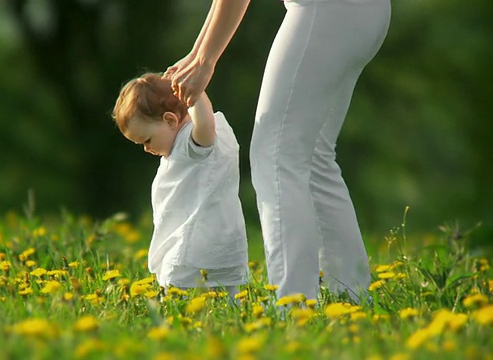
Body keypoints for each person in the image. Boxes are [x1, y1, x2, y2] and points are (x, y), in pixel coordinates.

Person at [164, 0, 391, 302]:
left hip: (325, 10)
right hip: (367, 12)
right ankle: (352, 296)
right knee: (313, 158)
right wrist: (197, 54)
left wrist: (205, 60)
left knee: (275, 154)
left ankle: (293, 305)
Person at [112, 72, 249, 299]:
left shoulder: (191, 144)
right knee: (226, 301)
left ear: (170, 120)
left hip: (194, 249)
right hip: (212, 245)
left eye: (147, 140)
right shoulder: (179, 149)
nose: (147, 149)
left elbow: (205, 124)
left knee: (182, 301)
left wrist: (194, 90)